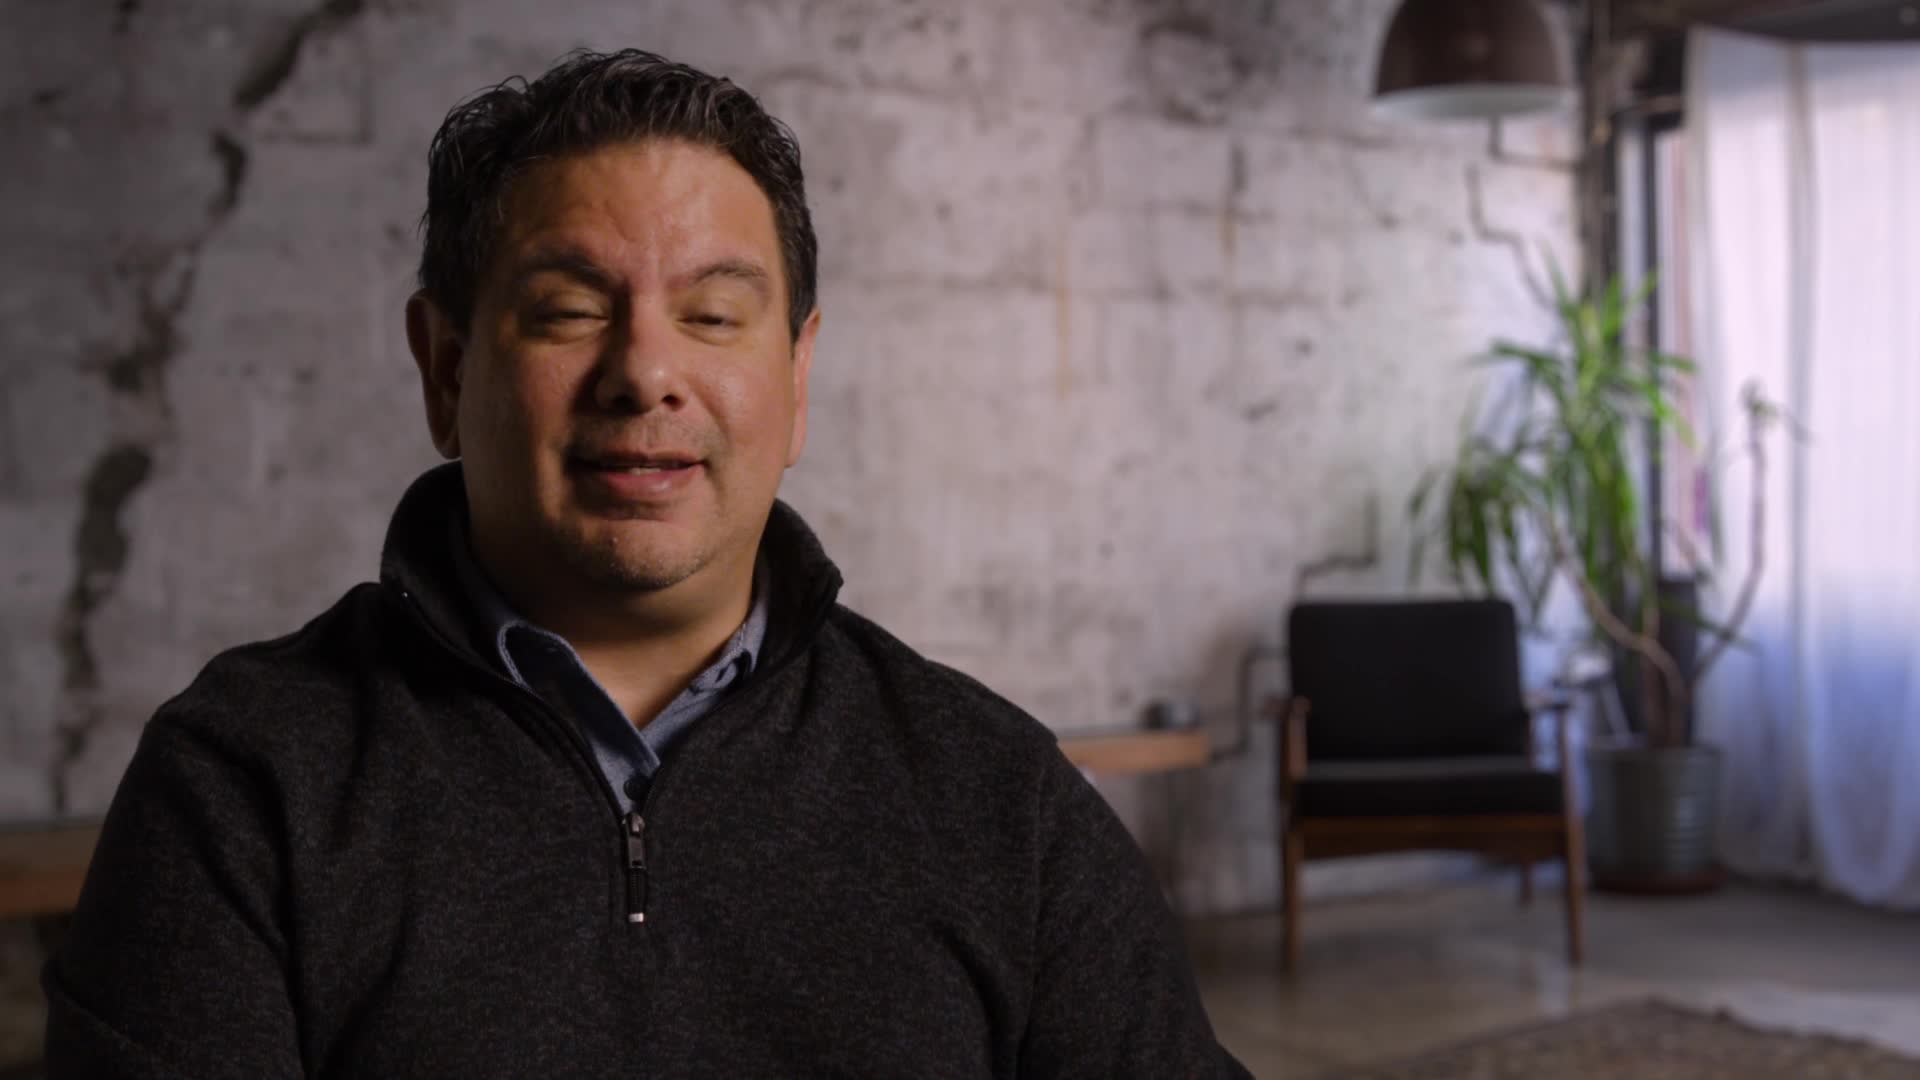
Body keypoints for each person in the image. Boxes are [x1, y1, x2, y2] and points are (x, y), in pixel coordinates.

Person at [44, 48, 1248, 1078]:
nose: (646, 373)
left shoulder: (997, 796)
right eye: (570, 310)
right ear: (446, 370)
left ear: (796, 378)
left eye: (714, 316)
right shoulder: (245, 785)